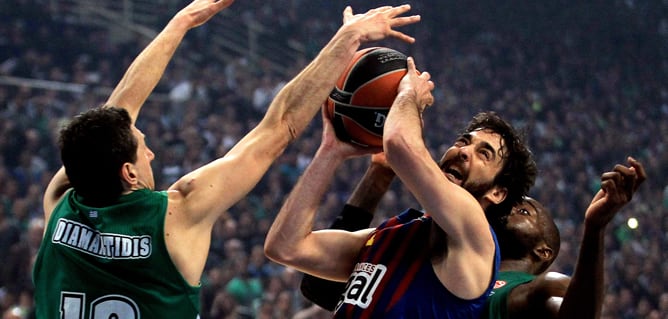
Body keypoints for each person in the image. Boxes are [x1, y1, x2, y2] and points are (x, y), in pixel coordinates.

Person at [31, 1, 423, 317]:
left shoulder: (61, 202)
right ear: (129, 172)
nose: (151, 151)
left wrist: (179, 25)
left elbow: (112, 120)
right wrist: (347, 40)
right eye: (142, 145)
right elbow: (278, 127)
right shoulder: (177, 213)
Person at [264, 52, 537, 319]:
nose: (465, 151)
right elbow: (285, 247)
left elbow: (397, 144)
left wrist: (409, 95)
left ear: (497, 192)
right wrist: (330, 151)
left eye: (484, 154)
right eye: (464, 141)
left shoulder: (475, 236)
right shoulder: (393, 233)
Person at [300, 156, 645, 319]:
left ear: (544, 250)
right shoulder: (443, 258)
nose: (513, 208)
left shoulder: (534, 290)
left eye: (525, 211)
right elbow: (322, 290)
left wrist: (594, 229)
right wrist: (377, 177)